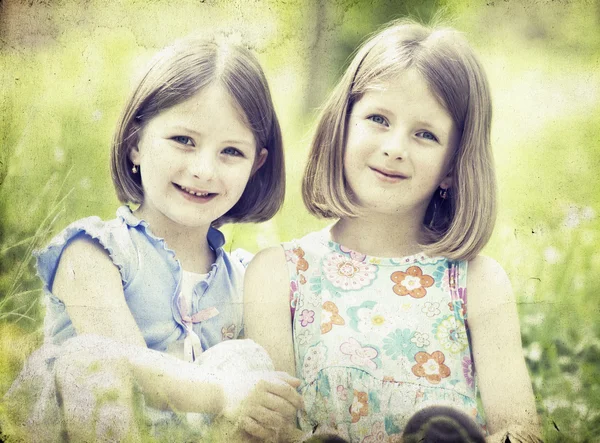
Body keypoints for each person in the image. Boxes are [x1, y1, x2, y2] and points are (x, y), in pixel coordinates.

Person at [244, 19, 542, 442]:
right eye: (378, 119)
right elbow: (275, 430)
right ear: (341, 127)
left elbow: (521, 430)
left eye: (425, 134)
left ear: (453, 168)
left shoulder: (478, 283)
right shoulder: (277, 274)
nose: (395, 147)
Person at [5, 35, 302, 442]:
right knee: (89, 359)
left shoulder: (247, 278)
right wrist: (223, 392)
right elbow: (127, 363)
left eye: (231, 151)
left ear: (256, 165)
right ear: (135, 144)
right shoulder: (91, 252)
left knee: (247, 360)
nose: (203, 169)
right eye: (184, 140)